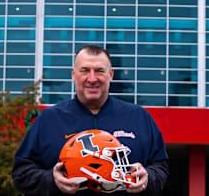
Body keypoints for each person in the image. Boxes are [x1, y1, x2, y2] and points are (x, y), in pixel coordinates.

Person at [12, 45, 169, 196]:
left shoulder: (139, 117)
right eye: (85, 70)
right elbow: (21, 173)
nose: (92, 79)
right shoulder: (48, 119)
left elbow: (161, 167)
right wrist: (51, 180)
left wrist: (148, 177)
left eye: (99, 71)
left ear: (111, 75)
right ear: (74, 75)